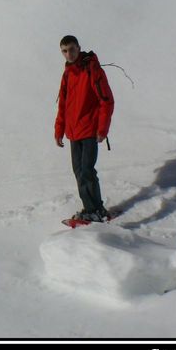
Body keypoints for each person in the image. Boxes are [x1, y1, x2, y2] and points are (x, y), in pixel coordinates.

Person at [54, 35, 115, 222]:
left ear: (79, 48)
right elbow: (63, 105)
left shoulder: (92, 69)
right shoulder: (68, 73)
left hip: (89, 129)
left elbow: (106, 101)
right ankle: (94, 209)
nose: (68, 54)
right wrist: (59, 130)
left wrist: (102, 128)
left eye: (71, 49)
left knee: (87, 171)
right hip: (73, 132)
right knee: (79, 172)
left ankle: (95, 210)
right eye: (64, 51)